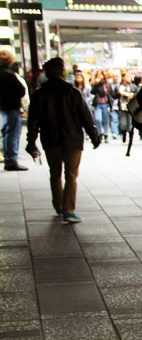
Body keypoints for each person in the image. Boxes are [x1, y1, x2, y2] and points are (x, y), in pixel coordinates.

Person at [25, 58, 101, 222]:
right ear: (63, 73)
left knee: (55, 173)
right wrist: (95, 137)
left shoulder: (39, 95)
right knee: (71, 175)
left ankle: (58, 205)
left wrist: (31, 142)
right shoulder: (73, 92)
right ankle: (69, 210)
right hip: (72, 140)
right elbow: (86, 117)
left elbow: (33, 122)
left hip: (50, 140)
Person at [0, 49, 27, 170]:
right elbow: (21, 90)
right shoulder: (9, 74)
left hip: (3, 107)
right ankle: (11, 160)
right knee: (12, 133)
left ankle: (8, 157)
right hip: (12, 106)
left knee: (6, 132)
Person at [91, 70, 112, 142]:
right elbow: (92, 92)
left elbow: (110, 94)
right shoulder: (95, 84)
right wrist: (96, 84)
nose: (99, 76)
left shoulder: (107, 84)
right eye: (98, 75)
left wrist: (111, 104)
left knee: (105, 120)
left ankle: (106, 134)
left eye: (100, 75)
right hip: (98, 104)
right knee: (98, 119)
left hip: (105, 104)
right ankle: (100, 133)